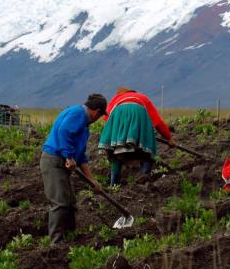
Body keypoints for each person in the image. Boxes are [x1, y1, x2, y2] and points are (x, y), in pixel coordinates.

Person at [40, 94, 107, 244]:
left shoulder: (84, 126)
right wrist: (69, 157)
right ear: (97, 112)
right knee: (60, 203)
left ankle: (70, 237)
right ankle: (56, 243)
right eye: (100, 115)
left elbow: (81, 157)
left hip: (61, 163)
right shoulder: (78, 113)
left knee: (70, 203)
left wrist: (92, 181)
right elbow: (63, 131)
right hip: (54, 161)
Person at [98, 87, 173, 185]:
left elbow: (107, 119)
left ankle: (114, 184)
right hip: (139, 114)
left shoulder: (116, 99)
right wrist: (169, 138)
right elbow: (157, 122)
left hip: (118, 118)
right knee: (147, 151)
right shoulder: (143, 98)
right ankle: (143, 181)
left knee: (115, 154)